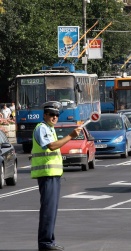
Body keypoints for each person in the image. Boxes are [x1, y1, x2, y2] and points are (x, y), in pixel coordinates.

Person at [31, 101, 82, 251]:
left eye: (57, 115)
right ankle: (46, 243)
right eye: (52, 114)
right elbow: (52, 146)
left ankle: (49, 242)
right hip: (47, 174)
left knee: (51, 210)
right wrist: (71, 136)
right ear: (45, 115)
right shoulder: (42, 128)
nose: (54, 117)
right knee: (48, 210)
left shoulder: (50, 129)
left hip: (53, 174)